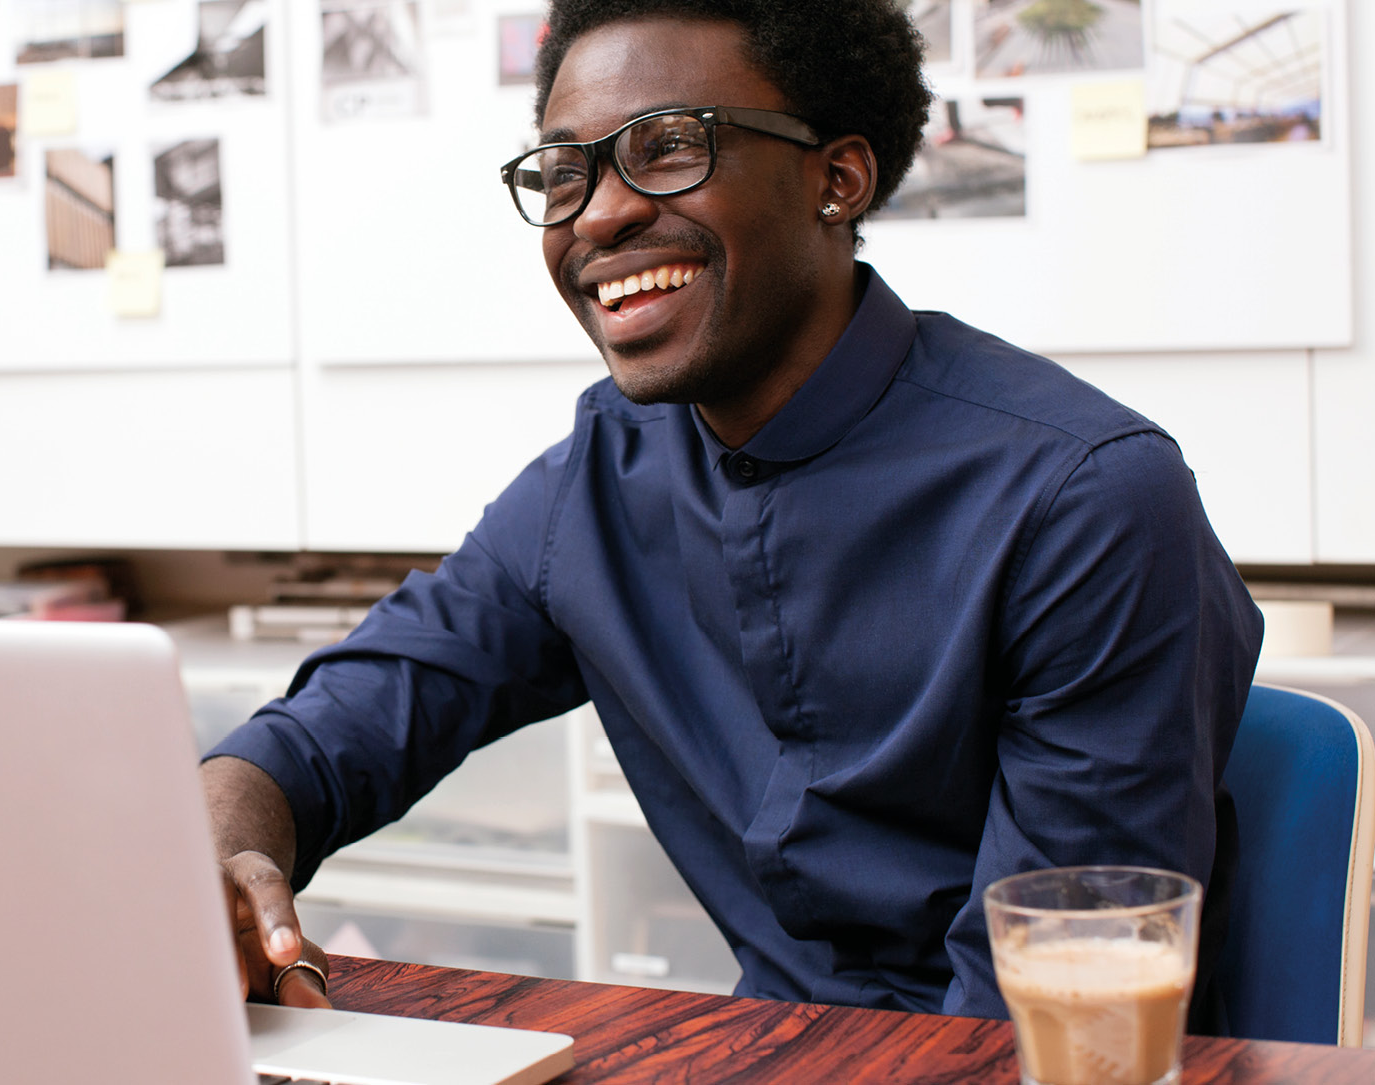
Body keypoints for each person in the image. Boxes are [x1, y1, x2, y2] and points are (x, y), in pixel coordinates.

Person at [203, 0, 1262, 1026]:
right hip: (770, 1050)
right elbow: (350, 719)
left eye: (667, 147)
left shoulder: (1084, 497)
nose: (600, 212)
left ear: (836, 179)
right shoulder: (597, 479)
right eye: (564, 170)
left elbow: (1046, 1002)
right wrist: (218, 841)